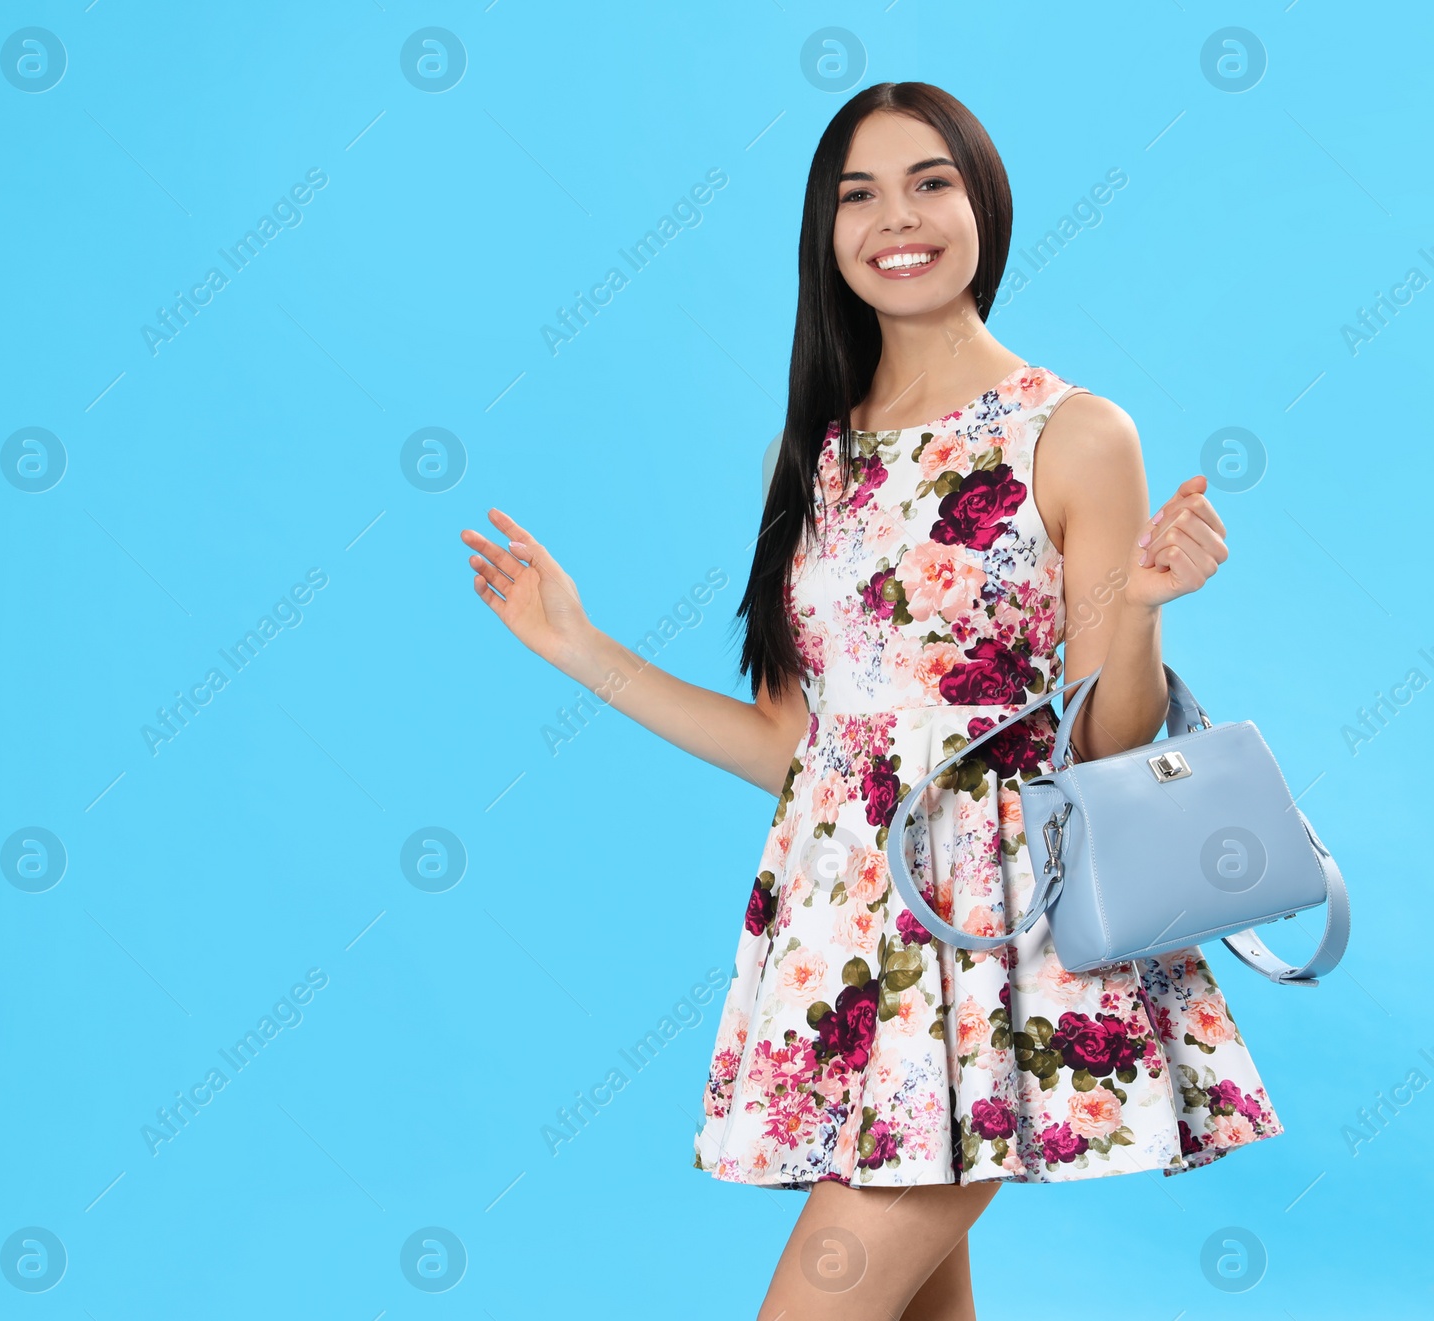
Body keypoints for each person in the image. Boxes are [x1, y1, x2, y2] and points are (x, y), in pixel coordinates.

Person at [460, 81, 1277, 1321]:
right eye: (858, 194)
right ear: (825, 234)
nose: (897, 217)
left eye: (929, 181)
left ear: (983, 207)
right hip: (850, 939)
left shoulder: (1073, 430)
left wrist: (1145, 604)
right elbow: (802, 754)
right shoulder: (823, 450)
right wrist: (582, 649)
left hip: (1001, 940)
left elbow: (1106, 746)